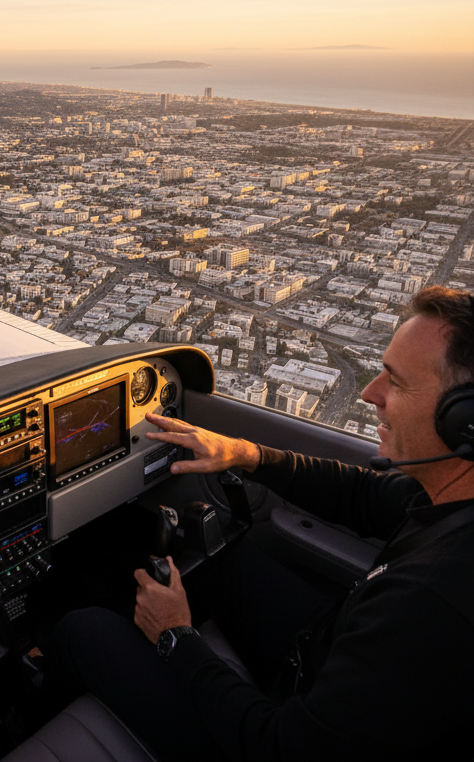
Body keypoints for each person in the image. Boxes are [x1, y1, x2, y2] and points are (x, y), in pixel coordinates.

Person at [53, 286, 474, 761]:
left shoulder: (433, 602)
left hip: (283, 734)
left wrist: (174, 636)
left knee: (82, 629)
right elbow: (360, 494)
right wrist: (244, 453)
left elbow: (282, 747)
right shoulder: (450, 493)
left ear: (464, 419)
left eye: (395, 382)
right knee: (217, 559)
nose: (369, 393)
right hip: (323, 652)